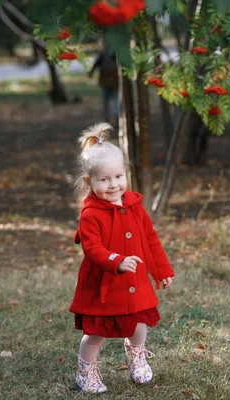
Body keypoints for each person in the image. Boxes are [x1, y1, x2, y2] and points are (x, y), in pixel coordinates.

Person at [70, 123, 175, 393]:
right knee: (96, 331)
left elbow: (150, 239)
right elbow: (92, 249)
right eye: (104, 180)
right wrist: (116, 260)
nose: (113, 184)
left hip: (135, 279)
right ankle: (85, 372)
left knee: (139, 321)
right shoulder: (90, 213)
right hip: (103, 283)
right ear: (88, 182)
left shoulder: (134, 205)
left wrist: (161, 270)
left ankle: (136, 354)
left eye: (118, 176)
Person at [89, 51, 120, 126]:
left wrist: (91, 73)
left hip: (106, 80)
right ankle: (116, 116)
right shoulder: (117, 54)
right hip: (115, 80)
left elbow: (96, 65)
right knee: (115, 99)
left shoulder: (103, 55)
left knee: (107, 100)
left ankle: (108, 117)